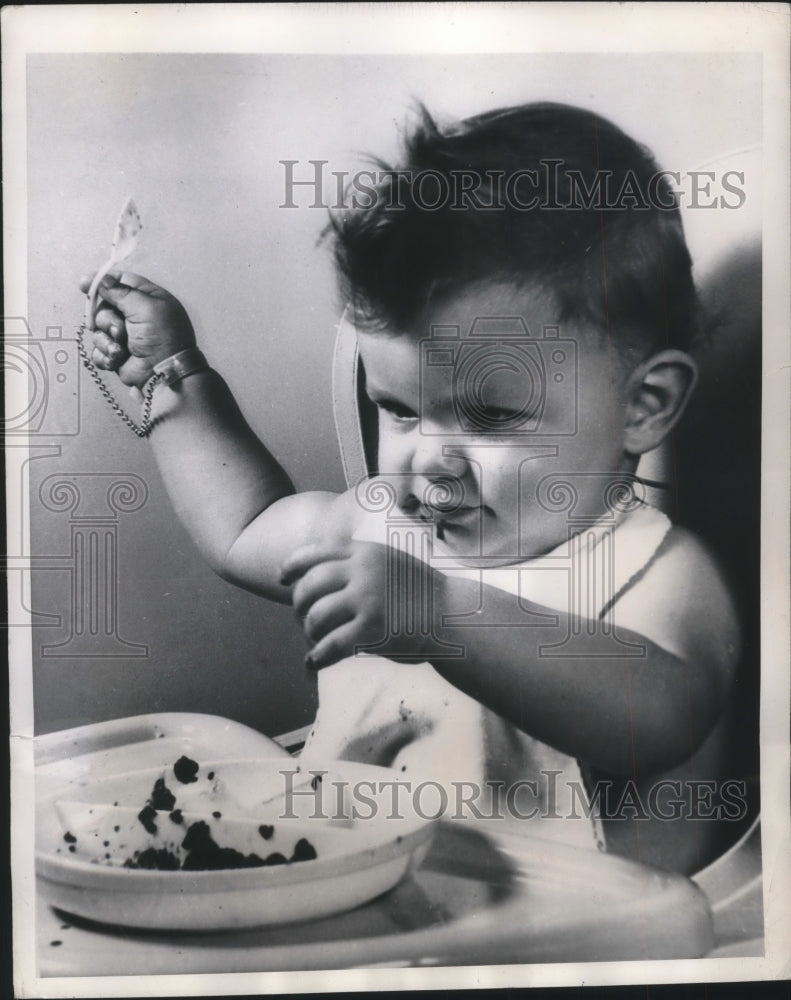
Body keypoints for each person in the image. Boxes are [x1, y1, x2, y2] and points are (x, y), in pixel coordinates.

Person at [81, 102, 740, 874]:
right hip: (353, 891)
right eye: (396, 408)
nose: (427, 462)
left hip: (553, 931)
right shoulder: (382, 528)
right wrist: (174, 377)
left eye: (490, 416)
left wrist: (438, 615)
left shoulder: (651, 570)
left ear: (643, 404)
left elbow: (660, 720)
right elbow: (246, 524)